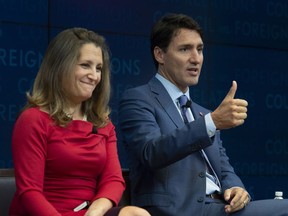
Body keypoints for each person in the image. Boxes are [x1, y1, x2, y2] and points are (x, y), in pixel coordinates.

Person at [118, 13, 288, 216]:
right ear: (159, 55)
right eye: (184, 49)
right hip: (177, 210)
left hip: (221, 208)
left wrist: (236, 188)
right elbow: (152, 152)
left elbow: (224, 170)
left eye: (199, 49)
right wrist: (212, 122)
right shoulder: (138, 98)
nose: (195, 58)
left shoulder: (202, 114)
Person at [9, 28, 150, 216]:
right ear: (60, 66)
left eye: (98, 68)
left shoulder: (103, 124)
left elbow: (113, 180)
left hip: (89, 213)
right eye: (85, 65)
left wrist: (94, 212)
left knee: (136, 214)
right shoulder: (33, 119)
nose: (94, 76)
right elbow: (30, 193)